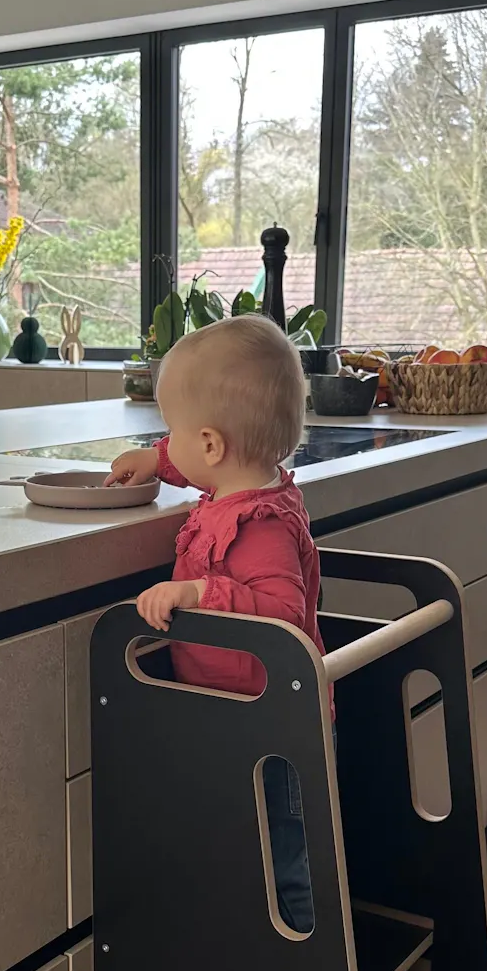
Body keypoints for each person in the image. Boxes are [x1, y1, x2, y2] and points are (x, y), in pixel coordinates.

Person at [106, 313, 330, 933]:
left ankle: (305, 963)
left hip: (273, 727)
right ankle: (259, 946)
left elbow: (283, 612)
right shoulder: (242, 482)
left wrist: (199, 592)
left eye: (169, 431)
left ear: (209, 443)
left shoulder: (260, 525)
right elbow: (204, 460)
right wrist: (154, 459)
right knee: (245, 847)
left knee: (283, 858)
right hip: (237, 714)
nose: (167, 442)